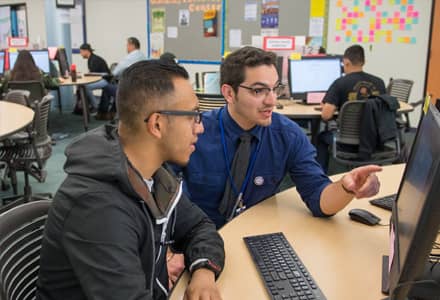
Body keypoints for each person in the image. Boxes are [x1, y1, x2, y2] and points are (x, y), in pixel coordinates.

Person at [36, 60, 225, 300]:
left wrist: (203, 274)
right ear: (157, 124)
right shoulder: (97, 208)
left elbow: (200, 227)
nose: (200, 128)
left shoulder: (153, 175)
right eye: (193, 116)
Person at [176, 46, 381, 229]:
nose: (272, 100)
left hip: (254, 236)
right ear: (229, 93)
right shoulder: (194, 132)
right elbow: (161, 198)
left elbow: (319, 201)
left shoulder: (288, 136)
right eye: (258, 90)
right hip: (197, 238)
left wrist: (346, 187)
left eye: (275, 89)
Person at [316, 44, 387, 172]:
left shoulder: (340, 83)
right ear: (364, 62)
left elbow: (325, 115)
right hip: (374, 140)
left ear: (346, 62)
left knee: (320, 137)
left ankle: (320, 176)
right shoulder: (380, 82)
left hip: (346, 143)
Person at [97, 37, 147, 120]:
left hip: (129, 90)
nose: (126, 47)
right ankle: (112, 112)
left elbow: (116, 72)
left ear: (132, 45)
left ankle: (103, 114)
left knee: (106, 87)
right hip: (139, 87)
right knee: (117, 87)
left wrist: (112, 74)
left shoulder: (130, 57)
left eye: (127, 45)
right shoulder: (142, 55)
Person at [79, 43, 110, 112]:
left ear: (86, 51)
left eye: (81, 52)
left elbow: (93, 76)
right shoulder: (91, 58)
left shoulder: (94, 60)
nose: (80, 54)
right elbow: (91, 73)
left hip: (105, 80)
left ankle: (95, 106)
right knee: (82, 86)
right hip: (100, 78)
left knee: (86, 87)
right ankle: (85, 105)